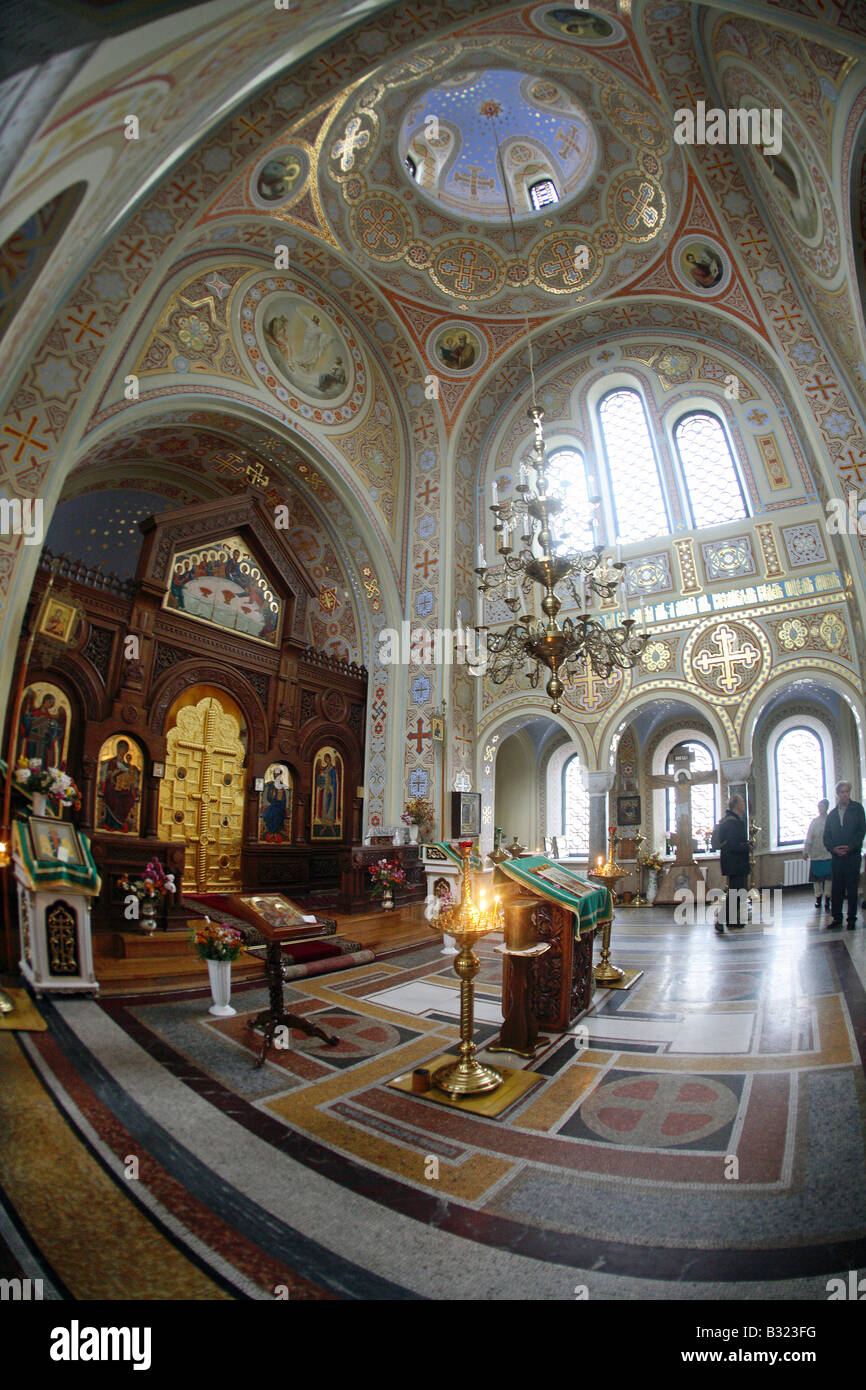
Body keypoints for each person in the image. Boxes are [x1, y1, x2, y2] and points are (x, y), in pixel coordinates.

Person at [823, 780, 865, 930]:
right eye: (842, 792)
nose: (845, 794)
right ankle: (837, 918)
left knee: (852, 888)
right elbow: (826, 836)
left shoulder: (857, 809)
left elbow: (861, 831)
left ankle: (852, 918)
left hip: (852, 856)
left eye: (847, 791)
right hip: (837, 857)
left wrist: (851, 847)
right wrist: (833, 849)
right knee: (837, 888)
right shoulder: (832, 814)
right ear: (837, 794)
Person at [714, 794, 750, 934]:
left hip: (732, 862)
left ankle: (731, 921)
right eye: (741, 802)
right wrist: (747, 847)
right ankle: (721, 921)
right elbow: (733, 845)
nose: (743, 805)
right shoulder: (732, 822)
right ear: (736, 805)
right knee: (735, 892)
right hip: (735, 862)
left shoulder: (730, 820)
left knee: (736, 892)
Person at [802, 799, 831, 911]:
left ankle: (828, 899)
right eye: (819, 806)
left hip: (828, 854)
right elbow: (809, 837)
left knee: (829, 879)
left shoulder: (830, 820)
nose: (820, 808)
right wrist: (806, 852)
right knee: (817, 879)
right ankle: (818, 898)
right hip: (816, 854)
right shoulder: (814, 822)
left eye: (822, 806)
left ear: (826, 807)